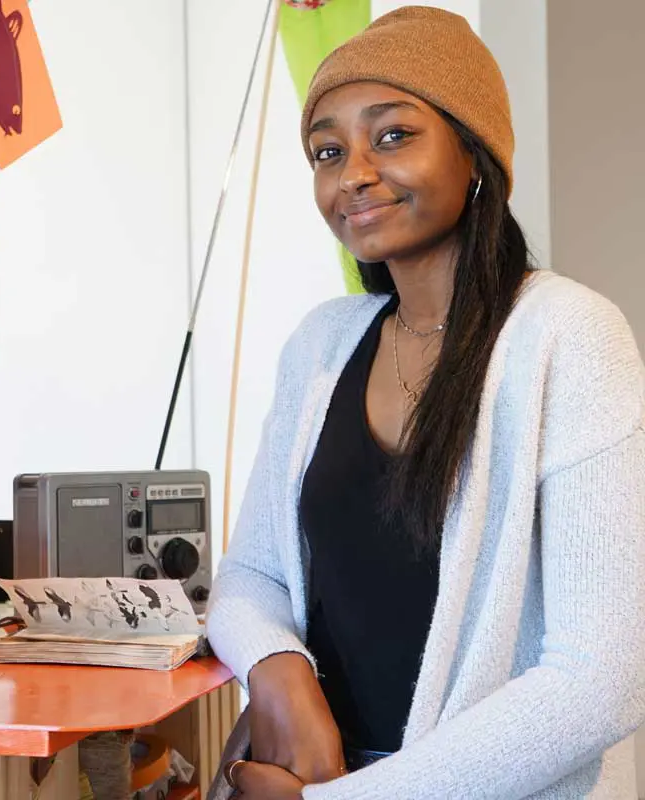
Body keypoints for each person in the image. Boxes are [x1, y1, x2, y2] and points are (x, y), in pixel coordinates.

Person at [204, 6, 645, 800]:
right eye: (328, 151)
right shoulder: (321, 345)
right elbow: (249, 576)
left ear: (475, 153)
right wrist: (278, 669)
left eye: (394, 135)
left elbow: (598, 680)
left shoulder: (568, 336)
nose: (354, 173)